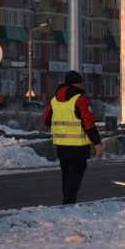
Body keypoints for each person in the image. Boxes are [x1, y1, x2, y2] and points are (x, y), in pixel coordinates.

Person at [42, 70, 104, 205]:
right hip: (79, 148)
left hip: (61, 146)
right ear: (78, 84)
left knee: (66, 175)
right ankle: (68, 204)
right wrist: (97, 143)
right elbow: (89, 124)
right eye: (81, 83)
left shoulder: (54, 101)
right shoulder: (80, 100)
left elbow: (46, 120)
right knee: (75, 177)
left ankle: (67, 203)